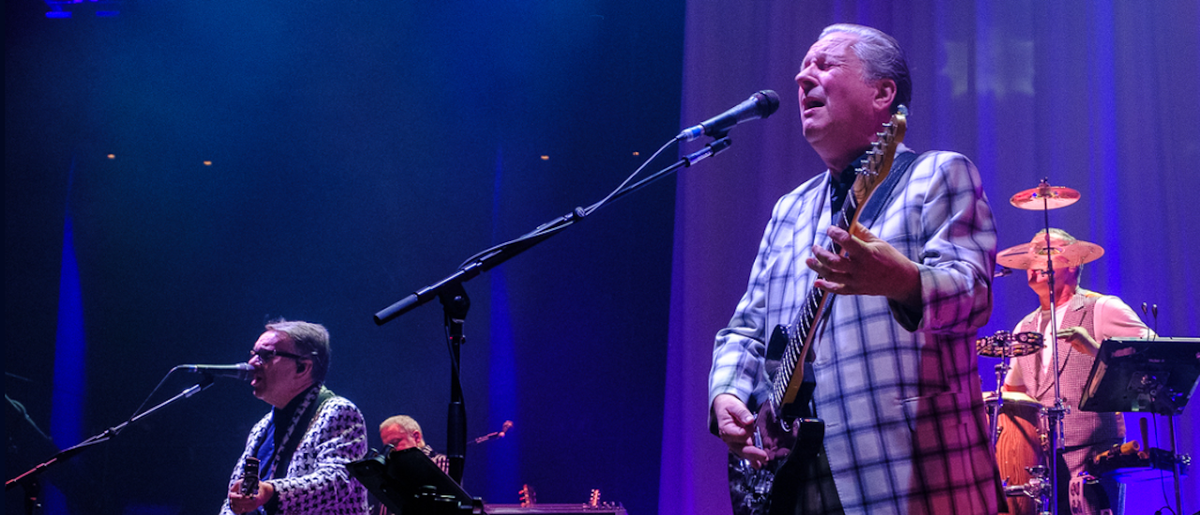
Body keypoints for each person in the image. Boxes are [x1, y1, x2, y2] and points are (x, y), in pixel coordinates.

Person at [708, 23, 1001, 514]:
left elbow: (973, 295)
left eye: (824, 64)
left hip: (912, 474)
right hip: (792, 476)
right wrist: (727, 393)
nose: (803, 79)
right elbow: (746, 331)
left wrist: (903, 281)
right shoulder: (790, 209)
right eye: (802, 68)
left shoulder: (939, 174)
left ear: (883, 93)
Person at [1002, 228, 1153, 515]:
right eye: (1032, 253)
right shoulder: (1023, 328)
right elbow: (1014, 393)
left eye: (1046, 251)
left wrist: (1096, 349)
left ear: (1073, 263)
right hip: (1043, 469)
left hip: (1095, 461)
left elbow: (1153, 359)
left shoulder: (1103, 308)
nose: (1035, 260)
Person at [221, 319, 368, 515]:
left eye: (265, 355)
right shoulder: (261, 427)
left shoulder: (339, 412)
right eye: (254, 354)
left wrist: (272, 493)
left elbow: (337, 481)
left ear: (303, 368)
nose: (252, 363)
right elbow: (235, 499)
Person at [379, 415, 449, 474]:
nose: (391, 451)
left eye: (395, 442)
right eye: (387, 447)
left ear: (416, 437)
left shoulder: (441, 464)